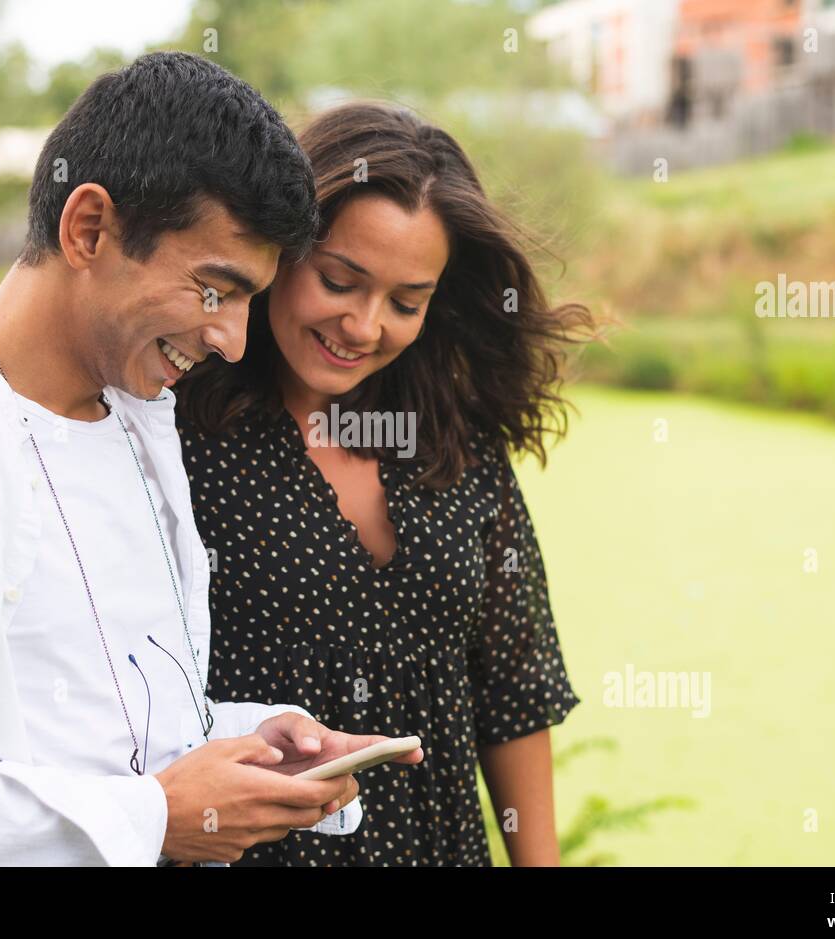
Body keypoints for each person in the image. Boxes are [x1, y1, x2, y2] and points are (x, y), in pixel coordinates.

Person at [0, 53, 419, 867]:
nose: (232, 338)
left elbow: (116, 735)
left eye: (250, 300)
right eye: (215, 288)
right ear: (88, 228)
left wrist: (247, 745)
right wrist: (153, 818)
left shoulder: (146, 428)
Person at [176, 101, 594, 866]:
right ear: (279, 250)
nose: (366, 326)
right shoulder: (178, 437)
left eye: (407, 302)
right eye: (341, 281)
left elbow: (512, 690)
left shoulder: (454, 444)